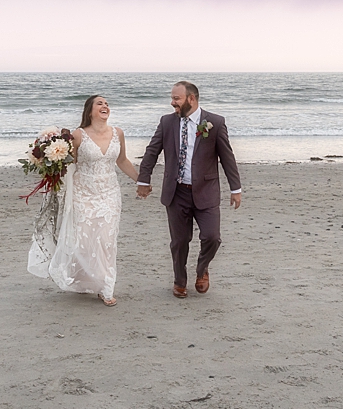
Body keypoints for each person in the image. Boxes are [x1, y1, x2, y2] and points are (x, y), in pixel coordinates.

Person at [28, 95, 138, 306]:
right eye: (100, 103)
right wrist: (49, 163)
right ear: (89, 111)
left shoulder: (118, 133)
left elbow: (122, 160)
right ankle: (87, 279)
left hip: (109, 193)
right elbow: (69, 164)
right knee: (84, 241)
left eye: (107, 103)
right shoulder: (78, 136)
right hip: (83, 194)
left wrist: (141, 181)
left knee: (106, 240)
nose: (105, 105)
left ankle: (106, 287)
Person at [136, 81, 242, 298]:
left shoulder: (215, 123)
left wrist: (236, 188)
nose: (172, 102)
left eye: (177, 98)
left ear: (191, 99)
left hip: (206, 191)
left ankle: (202, 269)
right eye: (172, 98)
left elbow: (227, 157)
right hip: (177, 193)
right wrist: (143, 180)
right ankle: (179, 280)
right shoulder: (167, 122)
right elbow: (152, 151)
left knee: (212, 237)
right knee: (180, 241)